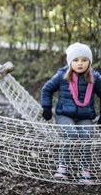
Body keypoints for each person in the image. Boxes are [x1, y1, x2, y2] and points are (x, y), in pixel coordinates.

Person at [41, 42, 101, 183]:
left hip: (85, 116)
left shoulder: (95, 77)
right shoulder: (62, 75)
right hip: (64, 115)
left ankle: (84, 169)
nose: (80, 63)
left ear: (89, 62)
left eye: (84, 60)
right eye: (76, 60)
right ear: (70, 62)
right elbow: (46, 89)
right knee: (70, 133)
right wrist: (47, 108)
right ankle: (63, 166)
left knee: (86, 136)